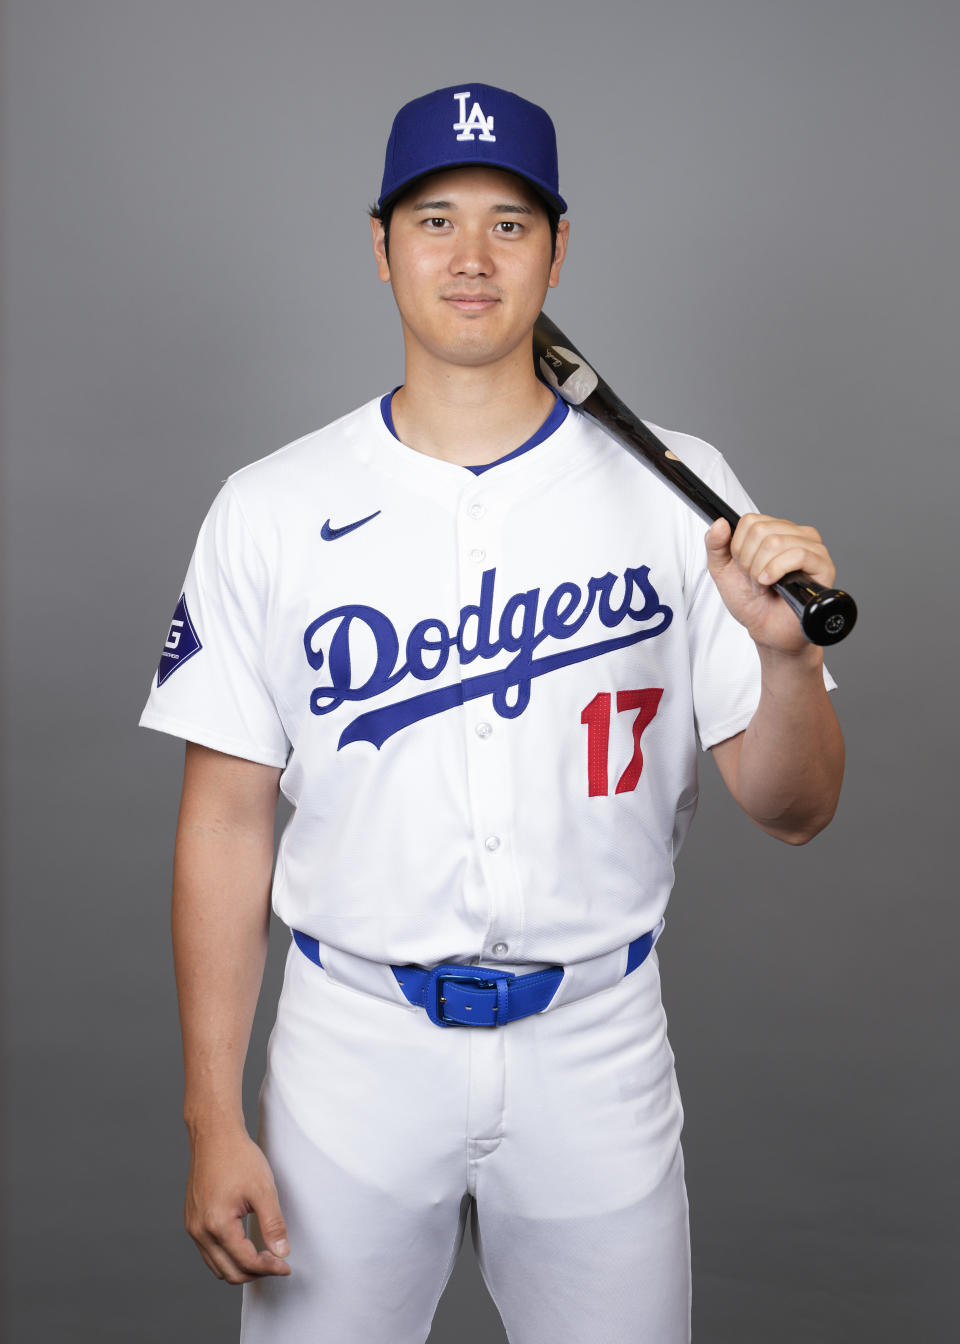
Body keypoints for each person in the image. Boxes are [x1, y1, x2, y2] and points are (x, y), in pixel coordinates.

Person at [139, 83, 844, 1344]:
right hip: (350, 1050)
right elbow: (227, 824)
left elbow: (794, 810)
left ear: (558, 250)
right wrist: (212, 1114)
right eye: (437, 220)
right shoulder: (270, 503)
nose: (471, 258)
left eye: (511, 225)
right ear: (381, 244)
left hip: (598, 1042)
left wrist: (784, 661)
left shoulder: (684, 495)